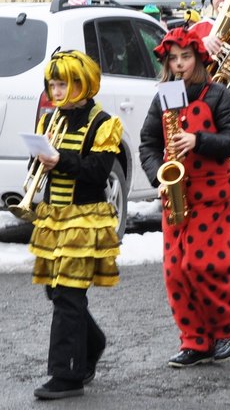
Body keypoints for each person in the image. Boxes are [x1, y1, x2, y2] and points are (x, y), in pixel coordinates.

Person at [139, 26, 230, 367]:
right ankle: (195, 340)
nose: (180, 64)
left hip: (214, 193)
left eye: (186, 57)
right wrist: (158, 174)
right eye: (173, 59)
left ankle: (225, 328)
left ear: (198, 59)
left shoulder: (217, 95)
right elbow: (148, 144)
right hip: (177, 194)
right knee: (175, 271)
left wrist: (197, 140)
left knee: (203, 264)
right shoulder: (162, 97)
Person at [30, 50, 123, 400]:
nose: (56, 91)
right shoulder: (49, 120)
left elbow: (98, 173)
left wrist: (60, 160)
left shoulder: (103, 123)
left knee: (68, 294)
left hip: (85, 218)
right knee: (57, 291)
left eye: (63, 84)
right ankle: (92, 343)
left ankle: (66, 376)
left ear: (83, 83)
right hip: (54, 216)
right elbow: (41, 169)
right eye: (52, 84)